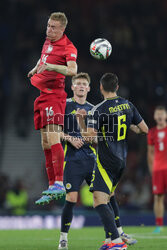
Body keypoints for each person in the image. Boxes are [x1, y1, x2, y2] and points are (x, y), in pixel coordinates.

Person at [76, 73, 148, 250]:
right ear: (117, 87)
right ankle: (111, 239)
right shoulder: (127, 104)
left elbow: (90, 138)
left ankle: (116, 242)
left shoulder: (98, 110)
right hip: (122, 161)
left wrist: (80, 121)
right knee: (108, 197)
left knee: (98, 201)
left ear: (101, 88)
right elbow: (144, 129)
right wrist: (127, 125)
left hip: (107, 160)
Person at [27, 12, 77, 199]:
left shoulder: (68, 47)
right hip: (42, 96)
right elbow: (43, 59)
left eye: (53, 27)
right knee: (45, 142)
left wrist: (51, 67)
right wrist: (36, 68)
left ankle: (59, 183)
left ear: (62, 29)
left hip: (55, 96)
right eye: (48, 25)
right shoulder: (47, 42)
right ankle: (51, 186)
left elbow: (73, 70)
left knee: (54, 137)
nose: (49, 29)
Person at [147, 106, 167, 233]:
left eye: (162, 114)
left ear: (165, 115)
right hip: (158, 169)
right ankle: (159, 225)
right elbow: (150, 153)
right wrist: (151, 170)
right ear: (154, 117)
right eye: (157, 114)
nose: (159, 116)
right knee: (158, 197)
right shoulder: (152, 132)